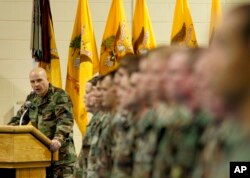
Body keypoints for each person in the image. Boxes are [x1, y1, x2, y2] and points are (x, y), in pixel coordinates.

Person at [8, 67, 77, 178]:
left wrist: (57, 139)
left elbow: (65, 121)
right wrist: (5, 134)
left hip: (62, 158)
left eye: (39, 80)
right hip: (41, 158)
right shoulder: (31, 98)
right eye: (32, 81)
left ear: (47, 79)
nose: (36, 84)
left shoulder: (59, 95)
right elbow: (19, 119)